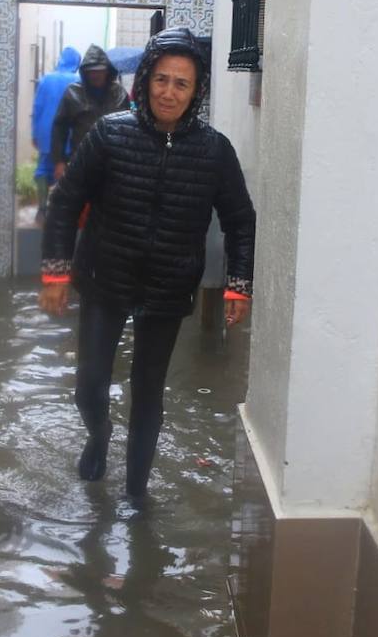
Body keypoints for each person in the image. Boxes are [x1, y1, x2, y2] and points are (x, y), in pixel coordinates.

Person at [39, 27, 255, 501]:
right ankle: (99, 434)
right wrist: (56, 272)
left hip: (167, 287)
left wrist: (239, 284)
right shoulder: (109, 133)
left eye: (182, 83)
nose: (169, 92)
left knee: (148, 393)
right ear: (144, 82)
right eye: (161, 79)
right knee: (89, 384)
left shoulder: (214, 151)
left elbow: (240, 218)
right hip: (104, 277)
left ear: (197, 91)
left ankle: (136, 492)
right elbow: (65, 201)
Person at [49, 44, 130, 182]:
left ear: (107, 71)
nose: (95, 74)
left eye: (100, 70)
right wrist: (59, 161)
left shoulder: (120, 94)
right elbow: (59, 128)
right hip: (80, 161)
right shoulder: (72, 93)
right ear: (84, 72)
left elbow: (129, 130)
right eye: (91, 71)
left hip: (113, 163)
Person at [31, 46, 82, 223]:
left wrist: (35, 134)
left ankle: (41, 210)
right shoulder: (79, 80)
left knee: (43, 170)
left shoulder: (45, 80)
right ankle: (64, 212)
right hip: (69, 134)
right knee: (70, 171)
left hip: (46, 134)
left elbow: (37, 108)